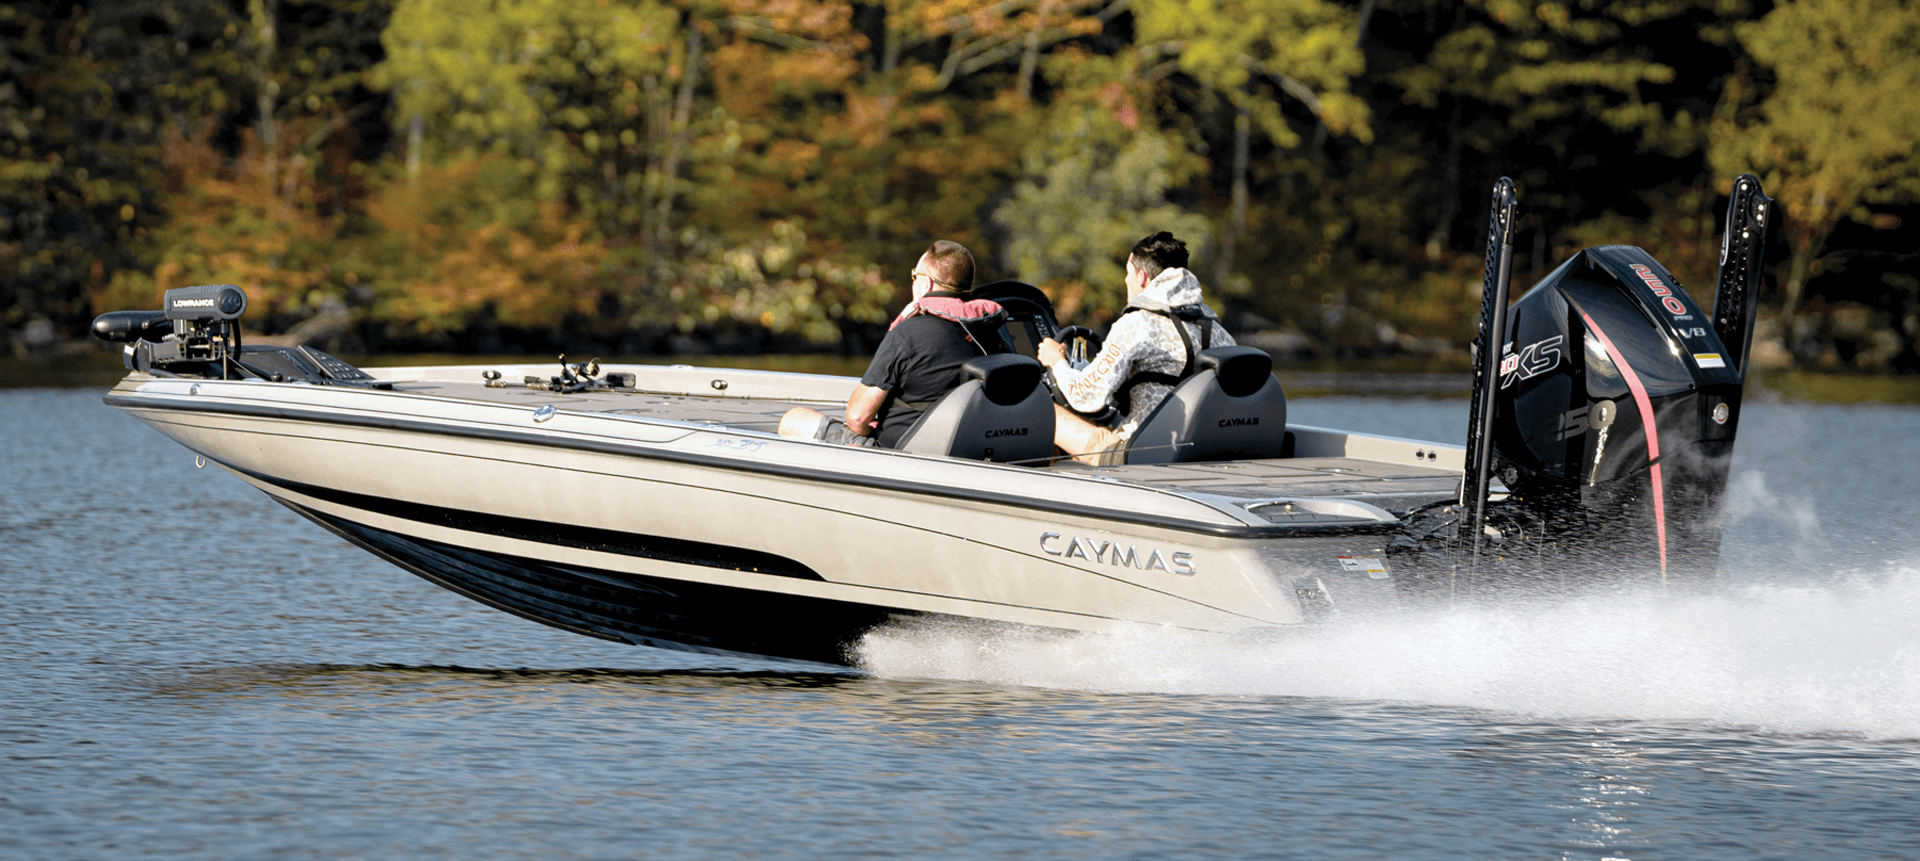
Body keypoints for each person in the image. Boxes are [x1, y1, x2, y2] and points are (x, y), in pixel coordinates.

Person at [778, 240, 1009, 448]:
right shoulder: (991, 331)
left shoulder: (907, 334)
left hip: (902, 453)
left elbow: (857, 419)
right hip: (968, 446)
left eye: (914, 275)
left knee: (794, 419)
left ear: (926, 283)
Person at [1037, 231, 1235, 465]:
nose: (1125, 281)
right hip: (1198, 450)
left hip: (1140, 454)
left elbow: (1085, 395)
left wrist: (1056, 362)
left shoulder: (1136, 324)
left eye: (1127, 273)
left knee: (1041, 409)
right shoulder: (1217, 331)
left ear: (1141, 276)